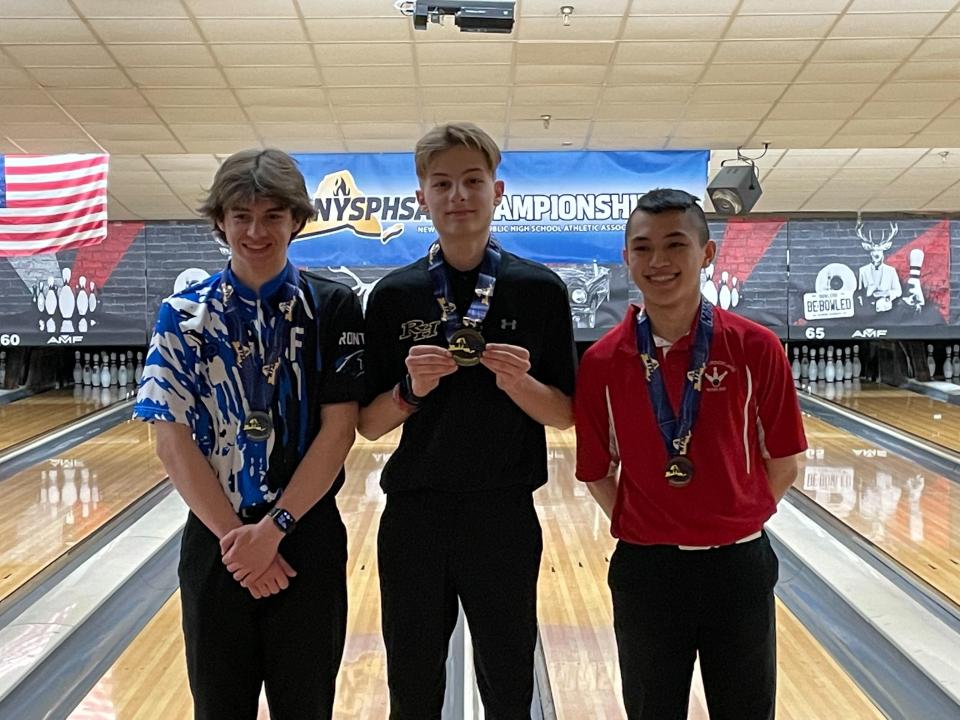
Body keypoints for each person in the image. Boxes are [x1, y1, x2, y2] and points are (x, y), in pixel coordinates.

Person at [133, 148, 364, 720]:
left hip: (306, 538)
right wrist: (241, 542)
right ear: (220, 221)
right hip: (218, 544)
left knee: (307, 708)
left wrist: (276, 528)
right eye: (241, 216)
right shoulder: (181, 314)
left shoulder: (332, 306)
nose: (256, 231)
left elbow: (339, 432)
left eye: (272, 216)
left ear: (297, 221)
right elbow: (171, 440)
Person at [358, 122, 576, 719]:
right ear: (422, 197)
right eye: (443, 183)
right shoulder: (394, 295)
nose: (458, 195)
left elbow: (565, 415)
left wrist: (520, 385)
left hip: (503, 514)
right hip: (415, 517)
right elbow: (370, 425)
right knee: (412, 679)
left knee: (508, 680)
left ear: (497, 191)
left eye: (472, 181)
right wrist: (410, 390)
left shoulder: (539, 290)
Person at [574, 188, 806, 720]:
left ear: (707, 254)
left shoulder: (755, 347)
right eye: (642, 247)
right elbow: (595, 472)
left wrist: (731, 519)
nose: (658, 261)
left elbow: (785, 462)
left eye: (675, 244)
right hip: (646, 572)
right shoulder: (603, 363)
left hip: (738, 567)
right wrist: (649, 525)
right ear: (627, 257)